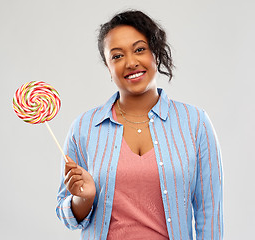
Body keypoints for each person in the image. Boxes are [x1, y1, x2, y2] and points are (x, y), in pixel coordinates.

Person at [56, 10, 223, 240]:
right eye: (117, 56)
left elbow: (209, 213)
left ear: (156, 51)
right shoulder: (84, 128)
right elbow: (66, 214)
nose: (131, 62)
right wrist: (83, 198)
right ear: (107, 66)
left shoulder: (195, 123)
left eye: (139, 49)